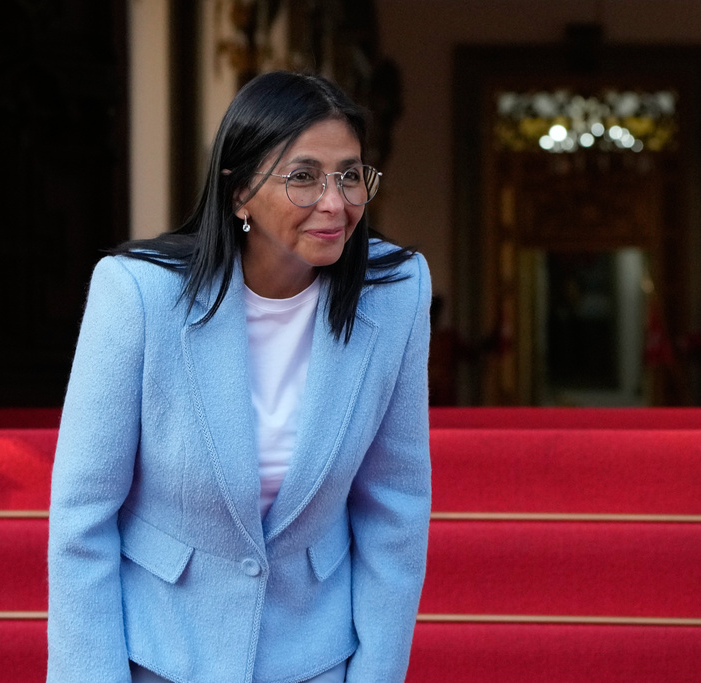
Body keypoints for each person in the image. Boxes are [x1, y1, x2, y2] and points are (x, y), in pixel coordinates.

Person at [47, 70, 431, 683]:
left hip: (315, 657)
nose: (335, 203)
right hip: (162, 654)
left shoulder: (397, 291)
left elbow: (396, 508)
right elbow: (82, 518)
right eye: (303, 177)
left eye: (350, 175)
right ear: (238, 192)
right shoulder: (137, 293)